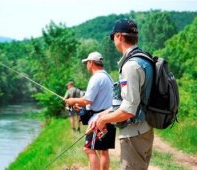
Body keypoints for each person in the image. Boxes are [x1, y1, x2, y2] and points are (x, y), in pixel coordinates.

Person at [95, 19, 154, 170]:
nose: (113, 41)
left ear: (120, 36)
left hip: (134, 134)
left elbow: (128, 110)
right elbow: (136, 100)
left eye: (113, 37)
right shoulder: (144, 59)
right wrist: (103, 115)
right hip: (145, 129)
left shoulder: (130, 66)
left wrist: (104, 120)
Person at [65, 51, 116, 170]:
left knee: (88, 149)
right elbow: (97, 100)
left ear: (91, 63)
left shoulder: (96, 78)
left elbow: (87, 100)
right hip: (110, 117)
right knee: (103, 150)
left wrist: (72, 101)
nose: (86, 65)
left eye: (87, 62)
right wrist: (82, 107)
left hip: (98, 121)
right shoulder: (108, 77)